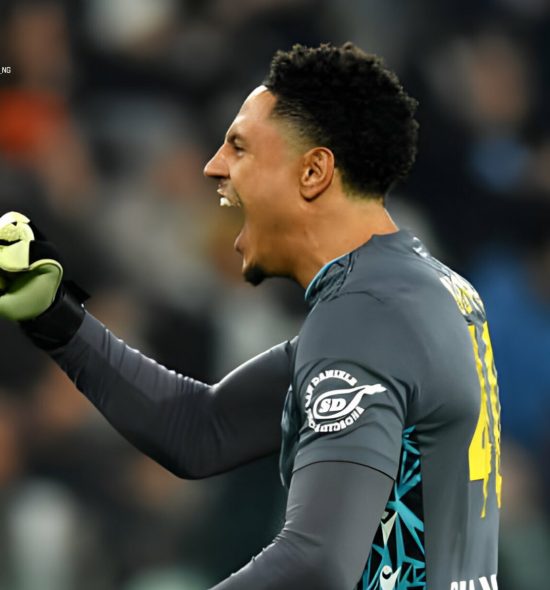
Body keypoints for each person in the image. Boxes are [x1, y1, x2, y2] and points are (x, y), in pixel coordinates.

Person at [0, 43, 501, 589]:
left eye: (240, 147)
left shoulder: (367, 315)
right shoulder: (429, 291)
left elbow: (317, 560)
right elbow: (201, 429)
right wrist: (56, 319)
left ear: (313, 172)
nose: (214, 166)